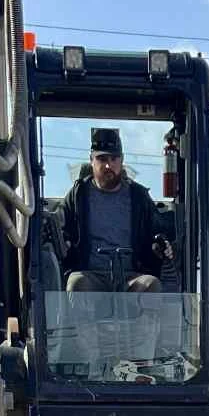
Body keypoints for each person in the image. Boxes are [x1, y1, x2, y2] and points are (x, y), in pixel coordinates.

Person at [59, 128, 167, 298]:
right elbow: (60, 225)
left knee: (151, 286)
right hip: (91, 276)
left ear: (121, 160)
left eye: (113, 159)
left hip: (131, 278)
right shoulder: (78, 195)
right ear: (91, 160)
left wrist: (162, 243)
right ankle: (84, 326)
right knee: (76, 283)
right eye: (102, 159)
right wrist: (63, 242)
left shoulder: (139, 196)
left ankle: (143, 326)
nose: (108, 165)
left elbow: (158, 230)